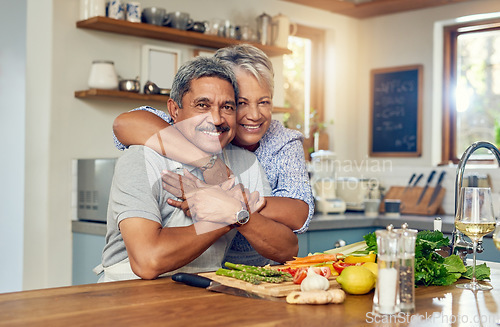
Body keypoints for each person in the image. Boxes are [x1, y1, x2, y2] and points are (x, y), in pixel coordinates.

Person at [98, 56, 298, 282]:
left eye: (227, 107)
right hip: (129, 294)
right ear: (174, 110)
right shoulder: (142, 159)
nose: (216, 118)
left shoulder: (246, 164)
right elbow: (147, 261)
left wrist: (234, 211)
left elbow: (288, 250)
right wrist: (228, 215)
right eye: (203, 105)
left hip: (204, 293)